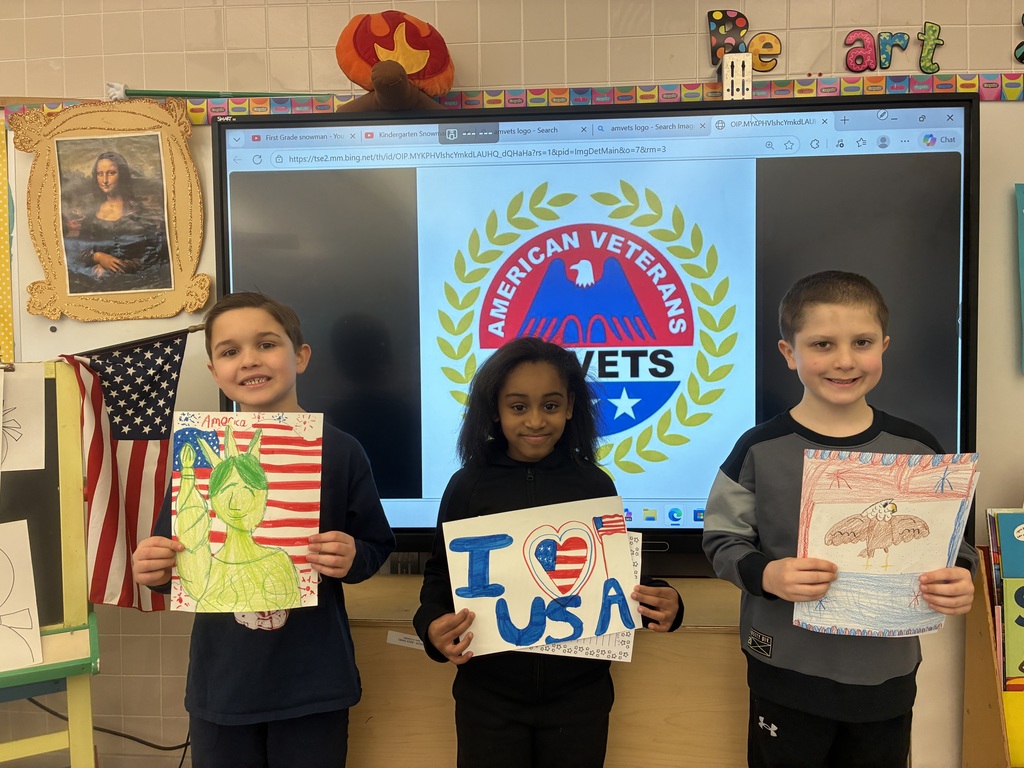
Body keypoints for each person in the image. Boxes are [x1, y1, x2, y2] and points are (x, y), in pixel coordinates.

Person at [702, 270, 977, 768]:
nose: (845, 360)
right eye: (823, 344)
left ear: (884, 346)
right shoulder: (758, 449)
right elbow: (722, 539)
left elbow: (953, 545)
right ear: (789, 353)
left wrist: (960, 577)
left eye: (862, 342)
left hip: (885, 676)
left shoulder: (918, 450)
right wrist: (767, 574)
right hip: (785, 669)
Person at [131, 291, 395, 768]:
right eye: (230, 351)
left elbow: (377, 545)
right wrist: (153, 566)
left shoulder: (341, 451)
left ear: (300, 356)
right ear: (214, 371)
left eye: (266, 344)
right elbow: (176, 557)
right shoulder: (197, 454)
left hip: (314, 683)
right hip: (223, 686)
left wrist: (354, 556)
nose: (249, 360)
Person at [413, 336, 684, 768]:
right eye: (518, 406)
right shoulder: (467, 487)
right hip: (488, 699)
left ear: (571, 407)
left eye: (551, 405)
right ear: (495, 411)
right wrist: (430, 626)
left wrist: (664, 602)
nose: (536, 421)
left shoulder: (595, 485)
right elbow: (438, 576)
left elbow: (618, 577)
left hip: (580, 701)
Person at [66, 151, 172, 293]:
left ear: (122, 175)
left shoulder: (140, 213)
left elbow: (156, 252)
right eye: (100, 174)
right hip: (101, 283)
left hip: (140, 282)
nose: (104, 180)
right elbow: (80, 251)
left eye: (111, 173)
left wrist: (124, 266)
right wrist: (98, 257)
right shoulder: (91, 216)